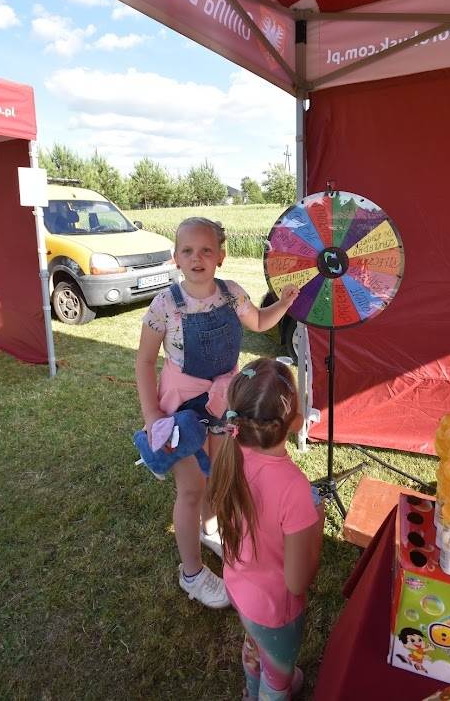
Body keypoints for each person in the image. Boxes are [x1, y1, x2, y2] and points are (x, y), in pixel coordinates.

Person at [135, 217, 298, 610]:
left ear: (221, 256)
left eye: (206, 250)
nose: (197, 258)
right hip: (182, 410)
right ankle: (191, 573)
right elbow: (144, 362)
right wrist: (152, 414)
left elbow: (258, 321)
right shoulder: (164, 305)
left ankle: (210, 530)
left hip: (223, 402)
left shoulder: (232, 294)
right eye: (188, 250)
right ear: (176, 257)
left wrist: (284, 304)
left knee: (218, 475)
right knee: (191, 489)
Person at [209, 358, 325, 700]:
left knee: (254, 647)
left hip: (240, 592)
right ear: (296, 422)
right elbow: (297, 581)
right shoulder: (295, 490)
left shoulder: (231, 453)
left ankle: (251, 690)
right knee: (278, 680)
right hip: (275, 612)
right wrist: (316, 521)